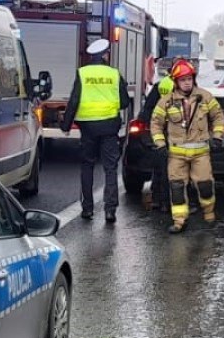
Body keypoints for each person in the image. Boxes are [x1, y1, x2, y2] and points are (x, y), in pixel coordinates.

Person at [151, 59, 224, 233]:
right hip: (176, 155)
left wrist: (217, 137)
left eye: (189, 79)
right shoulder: (166, 101)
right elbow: (155, 123)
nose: (187, 83)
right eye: (183, 80)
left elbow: (218, 117)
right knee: (177, 188)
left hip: (201, 154)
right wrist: (160, 144)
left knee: (205, 186)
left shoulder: (205, 97)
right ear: (176, 82)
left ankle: (209, 215)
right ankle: (179, 221)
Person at [62, 38, 132, 222]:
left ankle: (87, 209)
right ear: (106, 55)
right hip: (109, 127)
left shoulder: (82, 73)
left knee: (87, 166)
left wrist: (66, 126)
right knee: (110, 169)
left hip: (88, 128)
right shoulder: (114, 74)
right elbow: (125, 102)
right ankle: (110, 210)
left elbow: (74, 100)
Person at [138, 68, 176, 210]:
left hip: (160, 131)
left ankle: (157, 199)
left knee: (159, 166)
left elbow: (147, 109)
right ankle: (166, 202)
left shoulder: (161, 85)